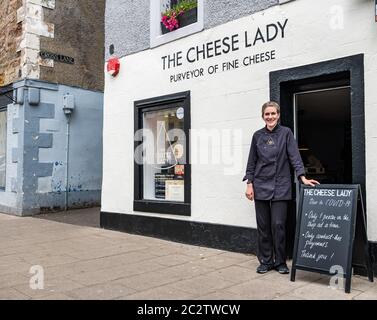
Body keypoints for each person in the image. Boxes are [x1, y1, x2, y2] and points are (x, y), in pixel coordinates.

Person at [243, 101, 319, 274]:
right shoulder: (257, 136)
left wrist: (303, 177)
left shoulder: (286, 133)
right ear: (263, 116)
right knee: (263, 226)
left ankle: (280, 261)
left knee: (278, 225)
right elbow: (251, 162)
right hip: (260, 185)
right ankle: (266, 261)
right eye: (267, 114)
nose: (270, 117)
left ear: (278, 115)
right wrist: (249, 184)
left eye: (273, 113)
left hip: (281, 186)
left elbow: (295, 157)